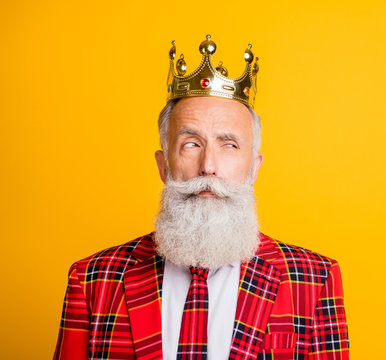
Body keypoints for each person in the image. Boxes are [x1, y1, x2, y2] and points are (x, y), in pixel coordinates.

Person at [54, 35, 349, 360]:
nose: (208, 166)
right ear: (164, 165)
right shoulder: (93, 280)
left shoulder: (314, 279)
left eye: (229, 144)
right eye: (191, 144)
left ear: (254, 167)